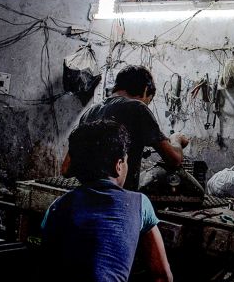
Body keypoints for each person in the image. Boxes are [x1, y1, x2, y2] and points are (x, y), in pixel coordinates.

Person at [21, 120, 173, 282]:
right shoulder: (139, 203)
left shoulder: (57, 206)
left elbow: (43, 270)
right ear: (118, 164)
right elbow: (161, 275)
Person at [61, 65, 189, 191]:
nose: (146, 104)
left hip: (87, 195)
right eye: (148, 101)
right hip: (118, 198)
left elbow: (66, 169)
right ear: (145, 90)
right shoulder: (137, 108)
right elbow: (174, 159)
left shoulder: (90, 112)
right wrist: (176, 139)